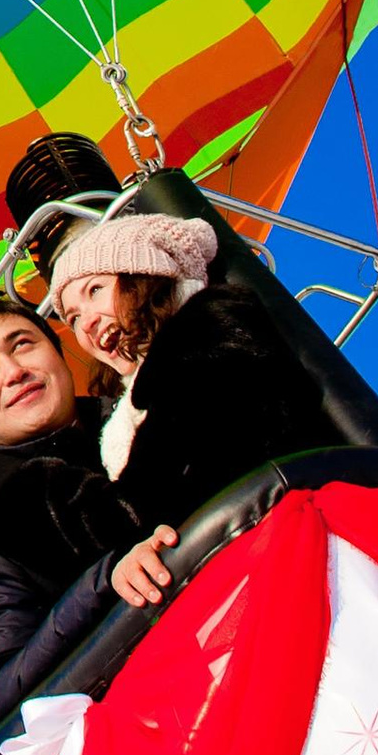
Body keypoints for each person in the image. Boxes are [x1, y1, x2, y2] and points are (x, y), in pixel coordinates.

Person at [0, 300, 176, 733]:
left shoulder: (155, 414)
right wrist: (106, 581)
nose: (13, 371)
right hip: (162, 719)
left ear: (60, 358)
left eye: (22, 345)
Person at [42, 210, 330, 535]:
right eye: (74, 318)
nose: (88, 322)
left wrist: (27, 495)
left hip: (296, 536)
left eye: (95, 290)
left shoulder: (211, 336)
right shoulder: (137, 402)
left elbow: (144, 503)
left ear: (146, 274)